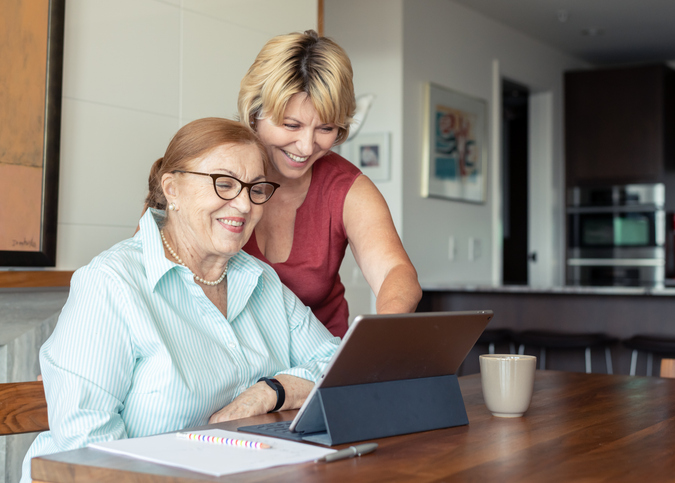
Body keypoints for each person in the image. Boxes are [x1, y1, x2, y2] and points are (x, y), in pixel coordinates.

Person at [20, 118, 340, 483]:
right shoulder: (111, 282)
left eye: (255, 189)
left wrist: (274, 390)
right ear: (172, 189)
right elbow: (87, 443)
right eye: (224, 184)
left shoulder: (260, 279)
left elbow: (337, 365)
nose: (244, 204)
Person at [238, 30, 422, 338]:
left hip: (319, 360)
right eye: (291, 125)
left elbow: (396, 273)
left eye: (325, 128)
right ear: (255, 113)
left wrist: (378, 338)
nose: (307, 146)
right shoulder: (215, 170)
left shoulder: (347, 188)